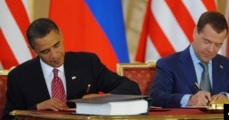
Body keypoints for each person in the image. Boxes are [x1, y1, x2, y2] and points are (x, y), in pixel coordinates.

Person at [2, 18, 141, 120]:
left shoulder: (87, 63)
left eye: (57, 45)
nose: (54, 55)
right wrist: (35, 108)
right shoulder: (19, 77)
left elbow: (131, 87)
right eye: (45, 51)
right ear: (32, 49)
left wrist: (103, 98)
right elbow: (9, 117)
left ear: (61, 35)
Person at [149, 11, 229, 108]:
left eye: (218, 45)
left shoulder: (227, 65)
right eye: (207, 41)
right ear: (195, 32)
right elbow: (156, 97)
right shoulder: (169, 64)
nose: (211, 50)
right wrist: (189, 100)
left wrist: (227, 98)